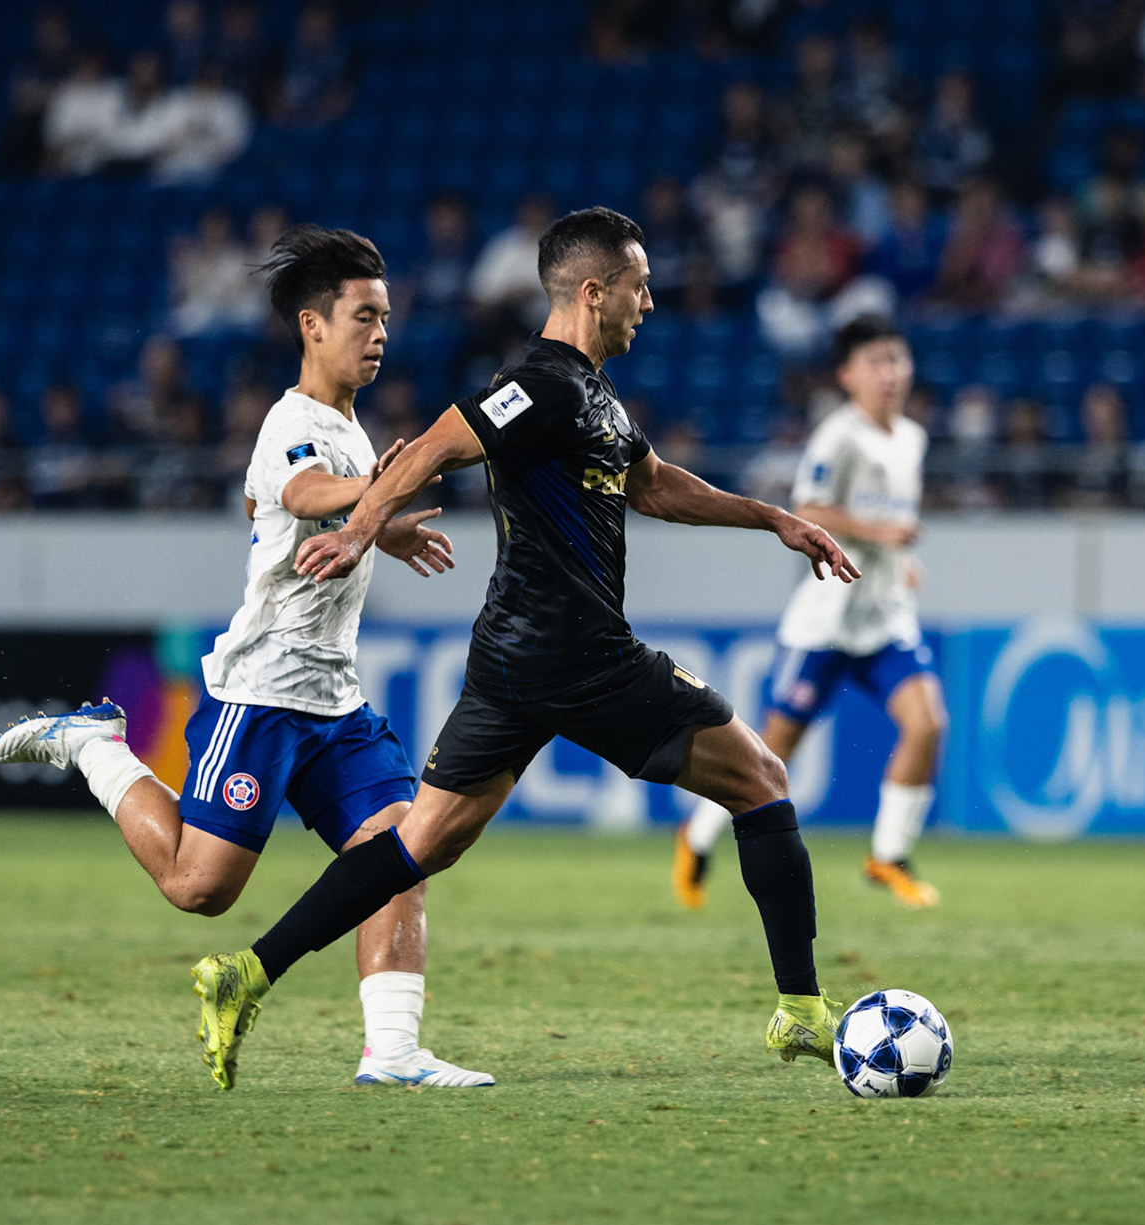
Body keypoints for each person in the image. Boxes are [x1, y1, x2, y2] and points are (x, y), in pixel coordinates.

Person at [179, 207, 862, 1091]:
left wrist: (775, 519)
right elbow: (432, 448)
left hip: (513, 661)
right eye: (639, 286)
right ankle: (801, 1009)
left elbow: (656, 487)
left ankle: (246, 973)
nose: (650, 303)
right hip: (580, 656)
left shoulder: (593, 395)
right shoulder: (537, 384)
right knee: (761, 778)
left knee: (419, 845)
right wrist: (358, 531)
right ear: (594, 292)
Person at [0, 226, 488, 1090]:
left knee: (401, 853)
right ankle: (97, 747)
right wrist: (372, 496)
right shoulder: (291, 421)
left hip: (335, 698)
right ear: (312, 326)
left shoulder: (349, 428)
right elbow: (299, 490)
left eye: (386, 318)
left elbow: (280, 509)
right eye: (364, 317)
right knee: (200, 889)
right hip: (262, 692)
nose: (381, 334)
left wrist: (380, 527)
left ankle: (394, 1052)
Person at [674, 314, 945, 912]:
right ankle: (696, 836)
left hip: (883, 618)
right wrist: (882, 533)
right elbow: (809, 507)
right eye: (875, 362)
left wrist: (900, 560)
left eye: (897, 360)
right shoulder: (837, 438)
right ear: (847, 375)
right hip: (826, 620)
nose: (890, 373)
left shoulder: (912, 438)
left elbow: (892, 519)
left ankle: (889, 855)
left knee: (927, 723)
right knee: (770, 755)